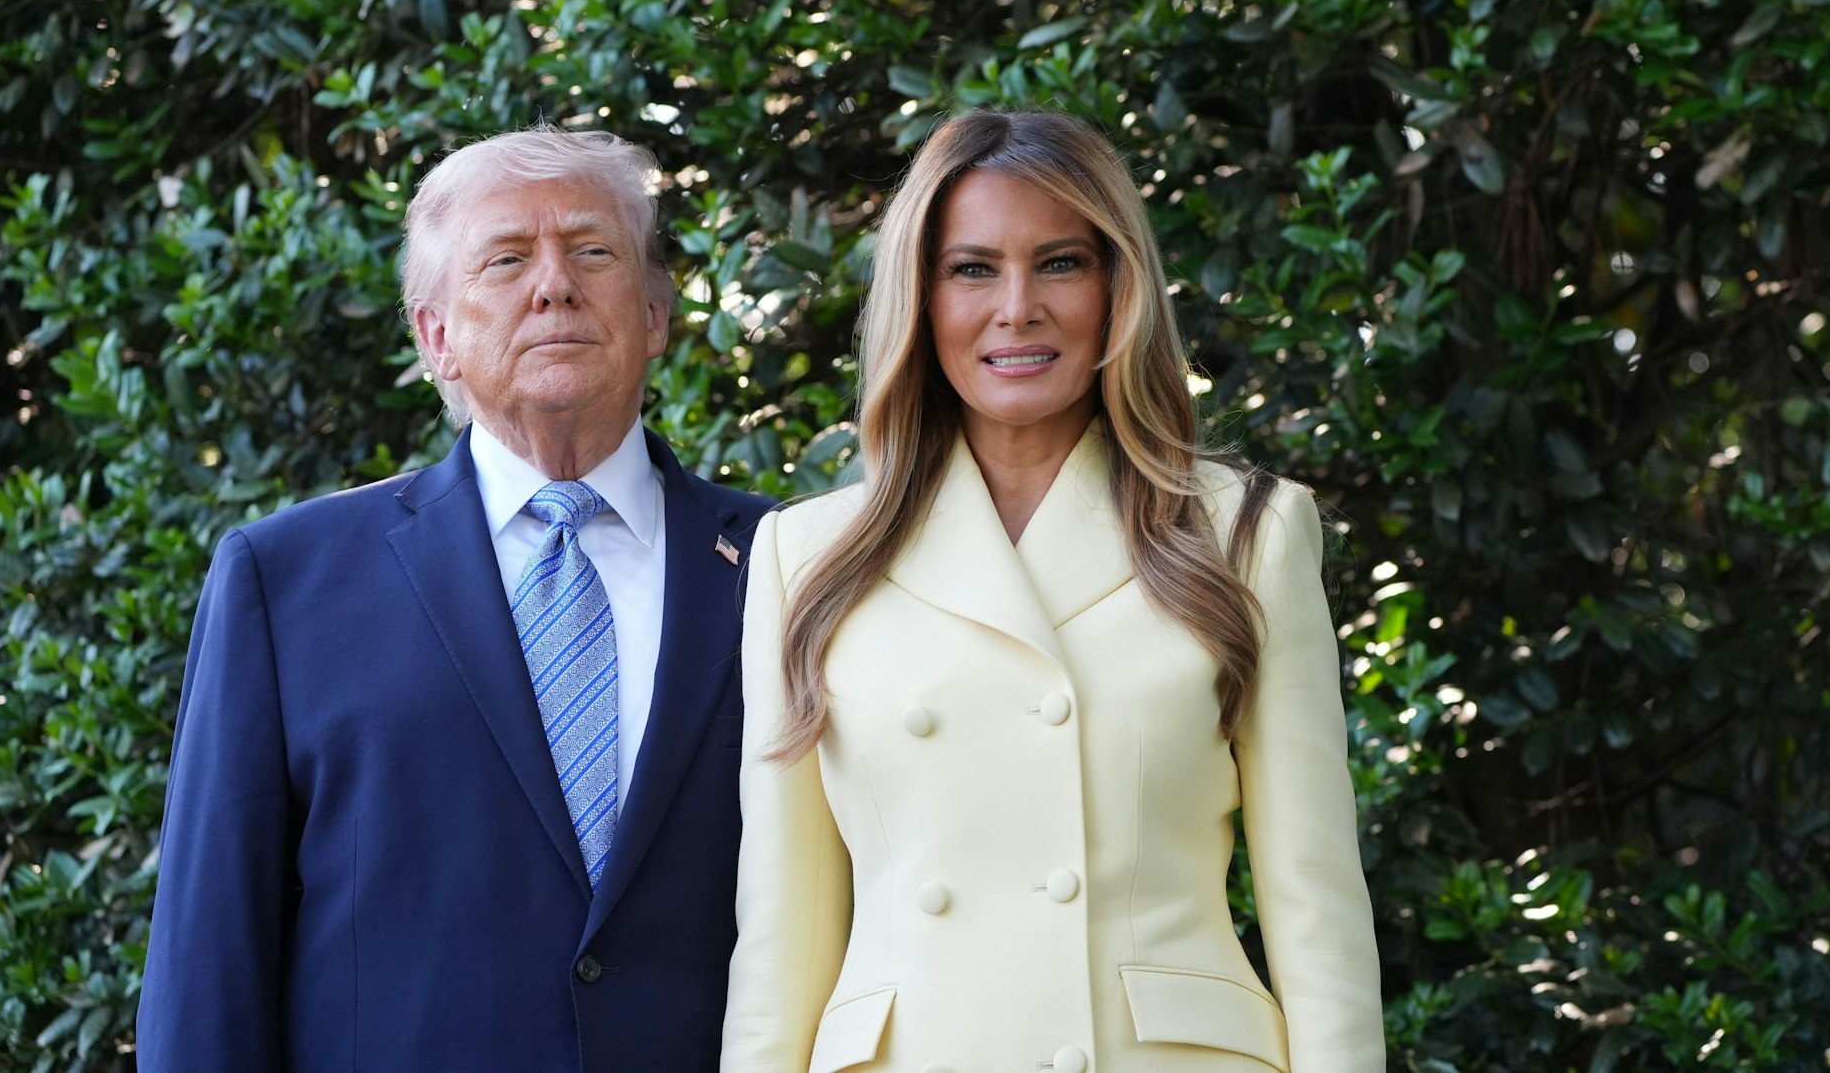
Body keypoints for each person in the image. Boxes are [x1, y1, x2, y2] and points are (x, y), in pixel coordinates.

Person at [721, 110, 1383, 1073]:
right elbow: (782, 941)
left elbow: (1316, 907)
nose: (1017, 307)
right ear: (921, 294)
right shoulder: (807, 554)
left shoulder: (1246, 532)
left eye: (1062, 263)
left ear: (1119, 288)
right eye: (973, 268)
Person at [137, 127, 772, 1071]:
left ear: (654, 314)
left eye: (592, 250)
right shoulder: (287, 580)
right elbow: (210, 957)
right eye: (506, 259)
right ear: (437, 337)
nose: (554, 283)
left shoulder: (787, 564)